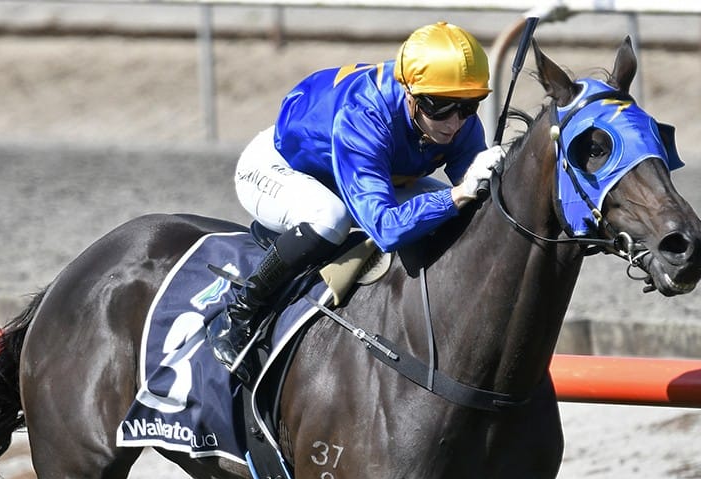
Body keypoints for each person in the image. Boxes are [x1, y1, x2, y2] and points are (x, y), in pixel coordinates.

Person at [209, 21, 507, 374]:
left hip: (367, 175)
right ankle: (239, 313)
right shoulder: (365, 114)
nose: (455, 122)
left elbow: (480, 198)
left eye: (469, 106)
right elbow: (385, 228)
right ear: (409, 92)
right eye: (439, 106)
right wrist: (458, 194)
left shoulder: (456, 118)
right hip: (279, 169)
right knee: (330, 217)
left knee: (464, 209)